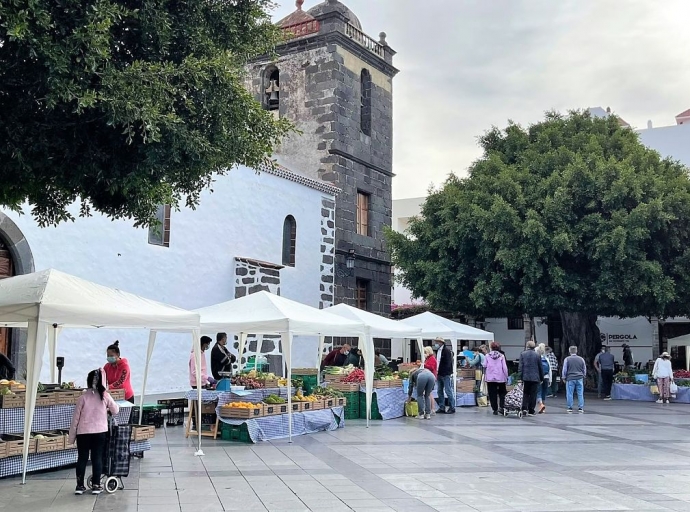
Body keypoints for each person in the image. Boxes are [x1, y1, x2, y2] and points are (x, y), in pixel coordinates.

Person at [69, 369, 119, 495]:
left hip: (83, 433)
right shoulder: (105, 396)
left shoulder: (82, 398)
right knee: (97, 458)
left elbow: (75, 419)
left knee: (82, 458)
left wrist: (71, 437)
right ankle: (96, 485)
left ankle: (79, 486)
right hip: (100, 432)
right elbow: (116, 410)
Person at [518, 340, 544, 416]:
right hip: (535, 378)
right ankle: (531, 409)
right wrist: (541, 378)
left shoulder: (523, 354)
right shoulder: (537, 355)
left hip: (525, 377)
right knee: (533, 394)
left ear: (527, 346)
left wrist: (520, 377)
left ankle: (524, 408)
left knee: (525, 393)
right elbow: (540, 367)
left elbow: (520, 367)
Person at [485, 342, 508, 415]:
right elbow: (504, 367)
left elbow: (484, 365)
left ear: (491, 348)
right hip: (500, 377)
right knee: (502, 393)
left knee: (492, 394)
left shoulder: (487, 356)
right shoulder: (501, 356)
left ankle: (495, 409)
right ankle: (501, 407)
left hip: (490, 378)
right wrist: (506, 376)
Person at [434, 337, 456, 414]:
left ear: (441, 342)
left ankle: (452, 407)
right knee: (439, 391)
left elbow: (448, 363)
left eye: (437, 342)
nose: (436, 343)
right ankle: (442, 406)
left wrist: (446, 372)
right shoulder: (438, 351)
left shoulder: (446, 351)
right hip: (439, 373)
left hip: (445, 373)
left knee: (448, 390)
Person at [562, 346, 586, 413]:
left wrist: (564, 377)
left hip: (570, 378)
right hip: (579, 378)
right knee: (580, 393)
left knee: (569, 393)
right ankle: (581, 407)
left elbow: (565, 369)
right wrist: (583, 375)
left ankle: (570, 407)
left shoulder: (567, 359)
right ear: (576, 351)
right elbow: (584, 368)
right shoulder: (581, 359)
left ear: (569, 351)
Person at [535, 343, 551, 414]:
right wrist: (550, 379)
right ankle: (543, 407)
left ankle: (541, 405)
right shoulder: (546, 358)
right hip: (546, 377)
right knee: (544, 393)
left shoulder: (536, 359)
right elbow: (549, 369)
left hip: (539, 378)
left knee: (539, 392)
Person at [423, 346, 438, 414]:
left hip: (431, 377)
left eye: (425, 352)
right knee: (429, 393)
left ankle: (432, 408)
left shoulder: (432, 359)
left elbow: (431, 367)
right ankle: (432, 408)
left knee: (429, 394)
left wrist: (424, 365)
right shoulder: (428, 358)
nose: (424, 354)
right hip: (429, 377)